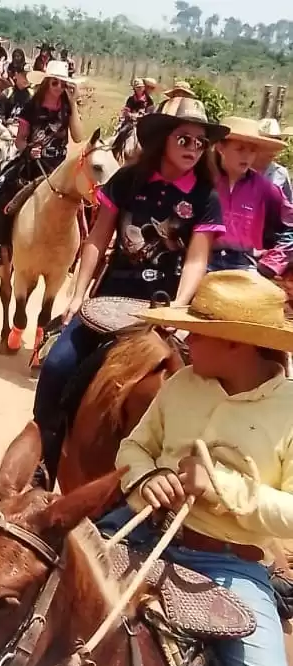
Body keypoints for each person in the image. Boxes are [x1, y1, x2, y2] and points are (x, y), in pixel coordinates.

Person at [100, 269, 293, 666]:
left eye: (199, 333)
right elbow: (135, 446)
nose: (186, 339)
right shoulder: (182, 383)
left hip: (229, 564)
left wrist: (222, 487)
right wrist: (147, 479)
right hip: (142, 529)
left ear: (236, 344)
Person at [32, 98, 228, 481]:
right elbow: (98, 239)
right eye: (184, 139)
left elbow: (195, 260)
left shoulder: (206, 197)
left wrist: (177, 309)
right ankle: (43, 460)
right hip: (110, 301)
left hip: (167, 307)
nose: (193, 148)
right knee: (57, 366)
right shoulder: (127, 180)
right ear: (164, 140)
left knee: (211, 384)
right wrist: (77, 295)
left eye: (200, 143)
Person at [0, 60, 83, 268]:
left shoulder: (67, 108)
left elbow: (79, 137)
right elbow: (19, 141)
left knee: (85, 201)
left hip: (59, 166)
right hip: (32, 163)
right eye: (55, 83)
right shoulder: (30, 107)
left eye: (63, 84)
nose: (59, 88)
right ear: (46, 83)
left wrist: (73, 104)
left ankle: (75, 255)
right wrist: (28, 149)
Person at [210, 116, 293, 273]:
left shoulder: (265, 188)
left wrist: (273, 261)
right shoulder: (203, 181)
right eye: (240, 149)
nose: (247, 156)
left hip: (244, 265)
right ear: (221, 148)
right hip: (201, 261)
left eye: (252, 150)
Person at [257, 118, 293, 203]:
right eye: (267, 145)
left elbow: (289, 205)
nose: (271, 150)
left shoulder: (281, 173)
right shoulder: (241, 168)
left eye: (276, 145)